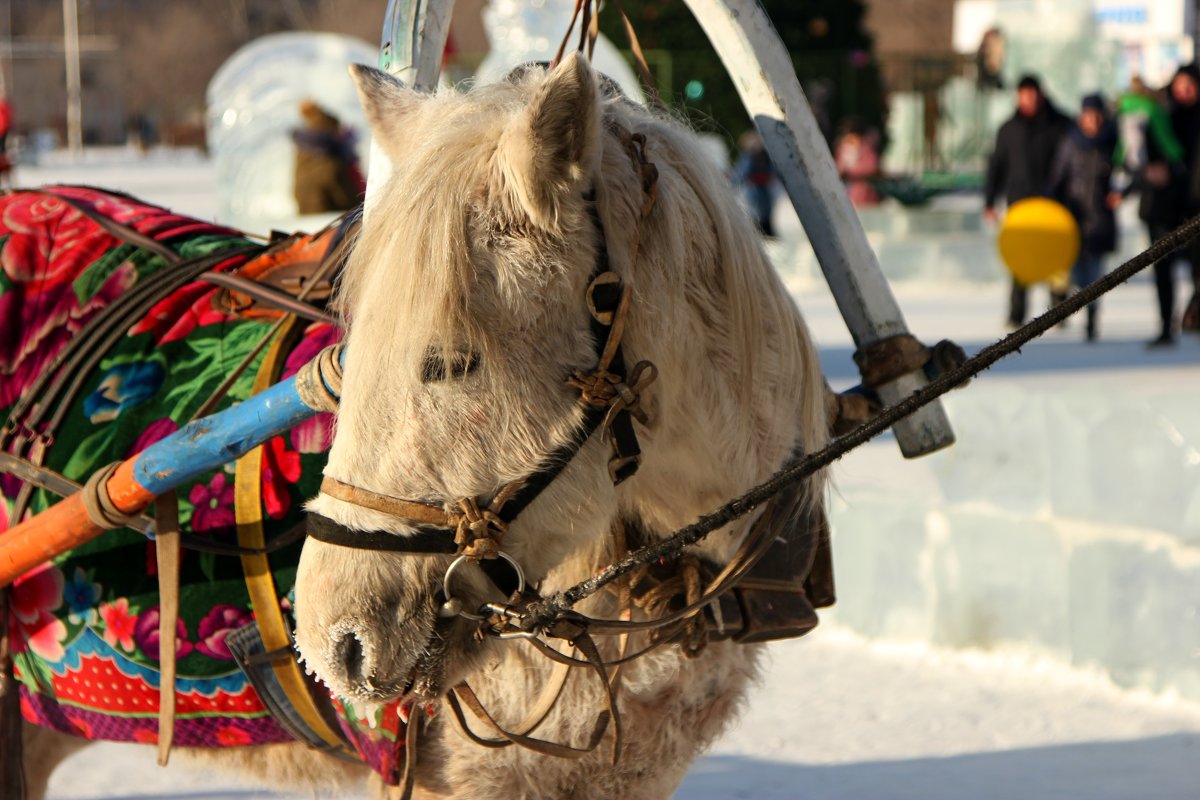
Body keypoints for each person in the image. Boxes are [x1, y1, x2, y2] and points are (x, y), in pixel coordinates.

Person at [984, 74, 1072, 328]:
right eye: (1024, 94)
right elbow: (996, 167)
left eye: (1033, 93)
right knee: (1020, 261)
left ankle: (1060, 311)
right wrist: (990, 201)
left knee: (1057, 260)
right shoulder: (1009, 128)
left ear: (1041, 94)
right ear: (1018, 96)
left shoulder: (1060, 124)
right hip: (1020, 204)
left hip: (1053, 204)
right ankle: (1016, 313)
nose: (1029, 99)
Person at [1048, 94, 1119, 342]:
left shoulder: (1112, 142)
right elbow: (1057, 178)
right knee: (1075, 273)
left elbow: (1131, 169)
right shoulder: (1070, 142)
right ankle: (1064, 304)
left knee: (1096, 277)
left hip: (1100, 220)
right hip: (1073, 219)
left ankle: (1092, 319)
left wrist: (1120, 192)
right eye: (1088, 114)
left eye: (1097, 114)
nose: (1093, 120)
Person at [292, 99, 365, 215]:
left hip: (307, 207)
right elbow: (333, 177)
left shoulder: (304, 141)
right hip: (333, 211)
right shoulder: (335, 145)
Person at [733, 130, 777, 237]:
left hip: (763, 191)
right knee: (756, 215)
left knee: (765, 214)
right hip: (754, 191)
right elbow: (740, 175)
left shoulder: (765, 157)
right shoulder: (748, 158)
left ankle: (766, 232)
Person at [835, 118, 881, 207]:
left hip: (863, 199)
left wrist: (851, 168)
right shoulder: (842, 151)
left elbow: (871, 168)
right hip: (846, 196)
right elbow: (835, 169)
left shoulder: (867, 151)